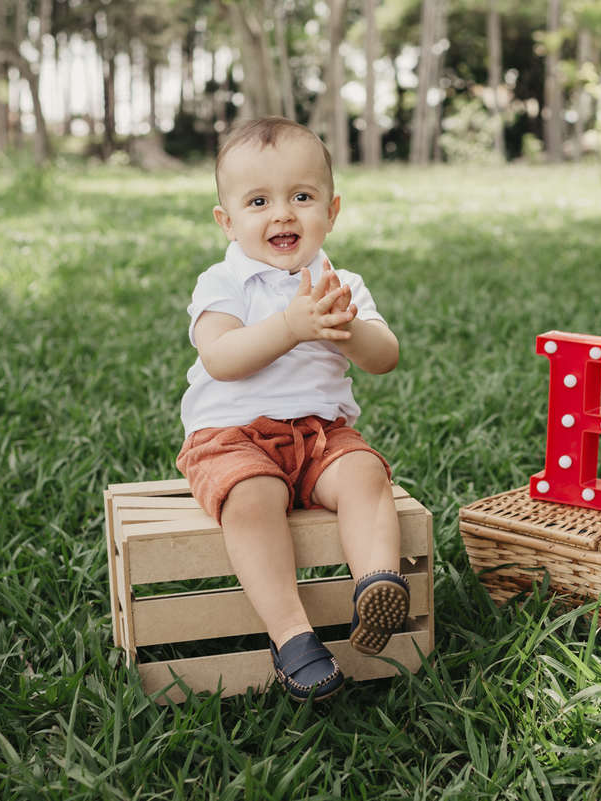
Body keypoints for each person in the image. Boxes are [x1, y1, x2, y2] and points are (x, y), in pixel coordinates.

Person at [176, 117, 406, 702]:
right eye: (259, 201)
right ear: (226, 221)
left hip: (320, 435)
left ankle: (376, 582)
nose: (283, 214)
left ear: (331, 212)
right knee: (252, 498)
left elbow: (386, 357)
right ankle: (292, 636)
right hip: (233, 438)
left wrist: (347, 330)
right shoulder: (223, 281)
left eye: (302, 197)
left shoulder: (340, 282)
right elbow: (223, 357)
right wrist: (290, 326)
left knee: (366, 473)